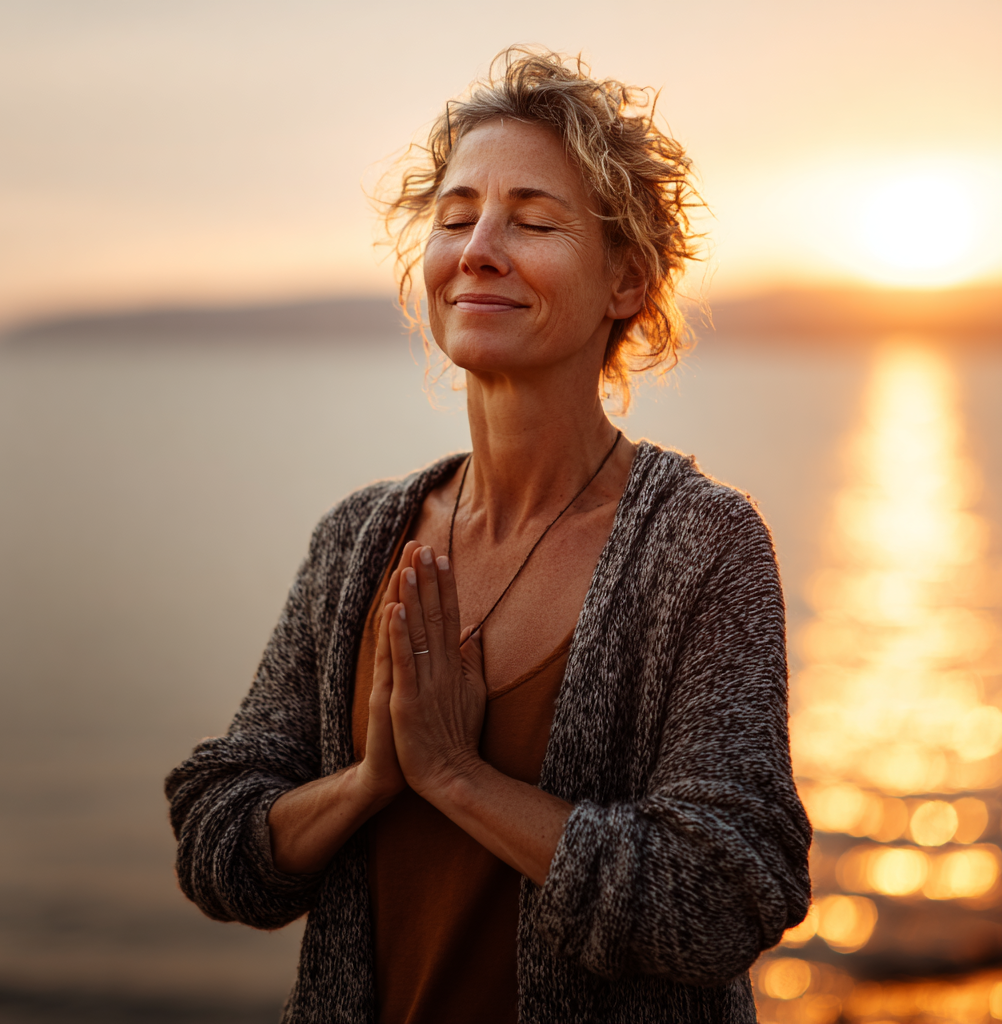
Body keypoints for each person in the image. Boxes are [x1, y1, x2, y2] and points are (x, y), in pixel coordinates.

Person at [165, 47, 811, 1024]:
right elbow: (218, 847)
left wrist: (458, 779)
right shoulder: (356, 544)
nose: (478, 249)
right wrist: (373, 781)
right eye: (456, 217)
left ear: (626, 280)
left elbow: (727, 892)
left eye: (534, 220)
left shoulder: (700, 546)